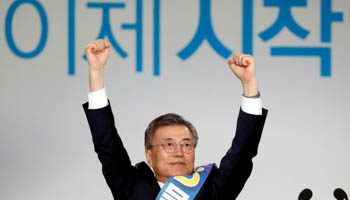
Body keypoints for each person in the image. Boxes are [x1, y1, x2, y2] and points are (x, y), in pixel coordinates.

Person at [83, 39, 268, 199]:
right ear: (149, 155)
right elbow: (106, 142)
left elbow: (243, 151)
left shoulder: (212, 187)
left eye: (186, 144)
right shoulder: (132, 185)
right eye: (169, 145)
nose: (179, 152)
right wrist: (96, 72)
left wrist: (249, 85)